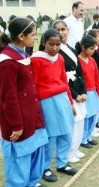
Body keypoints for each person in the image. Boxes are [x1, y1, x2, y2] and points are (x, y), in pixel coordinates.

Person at [0, 17, 48, 187]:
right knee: (19, 160)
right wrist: (16, 125)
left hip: (31, 117)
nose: (35, 38)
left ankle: (31, 182)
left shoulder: (22, 53)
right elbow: (8, 97)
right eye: (33, 35)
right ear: (21, 36)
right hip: (18, 122)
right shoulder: (7, 61)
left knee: (34, 153)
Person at [30, 28, 77, 182]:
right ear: (44, 43)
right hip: (47, 102)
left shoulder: (60, 58)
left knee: (66, 134)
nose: (55, 48)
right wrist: (37, 109)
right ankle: (44, 168)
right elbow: (34, 85)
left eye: (58, 44)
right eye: (51, 44)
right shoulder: (35, 59)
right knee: (50, 137)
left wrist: (70, 102)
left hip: (62, 98)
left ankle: (62, 163)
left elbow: (64, 80)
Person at [53, 20, 88, 163]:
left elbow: (80, 72)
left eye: (63, 29)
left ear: (68, 30)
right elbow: (60, 77)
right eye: (58, 30)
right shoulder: (56, 51)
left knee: (80, 120)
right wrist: (75, 95)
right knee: (72, 122)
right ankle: (68, 152)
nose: (61, 33)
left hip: (78, 87)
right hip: (69, 90)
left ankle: (75, 148)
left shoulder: (72, 50)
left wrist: (84, 91)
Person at [77, 35, 99, 149]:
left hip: (93, 92)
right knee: (86, 116)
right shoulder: (78, 61)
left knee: (93, 115)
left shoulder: (92, 60)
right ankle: (83, 138)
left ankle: (88, 136)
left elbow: (96, 76)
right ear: (83, 47)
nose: (93, 51)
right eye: (91, 49)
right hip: (85, 93)